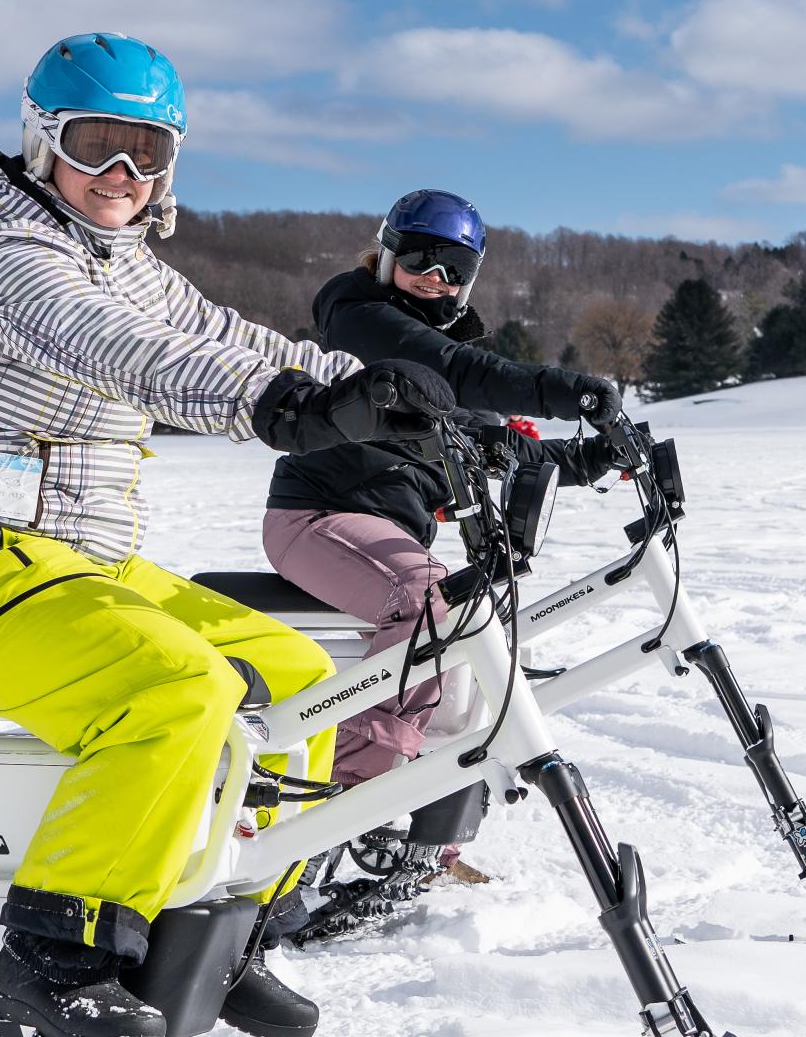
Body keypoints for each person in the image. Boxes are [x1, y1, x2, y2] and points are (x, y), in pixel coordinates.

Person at [0, 33, 451, 1037]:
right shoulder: (5, 251)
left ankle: (230, 926)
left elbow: (237, 340)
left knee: (300, 675)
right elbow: (124, 352)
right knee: (178, 687)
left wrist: (416, 399)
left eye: (149, 152)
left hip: (78, 559)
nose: (124, 177)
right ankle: (56, 945)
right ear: (43, 140)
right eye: (99, 146)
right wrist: (285, 407)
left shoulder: (129, 262)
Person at [261, 189, 625, 794]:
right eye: (421, 259)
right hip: (316, 518)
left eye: (454, 269)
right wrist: (566, 391)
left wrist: (589, 457)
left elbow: (499, 444)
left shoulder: (444, 356)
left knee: (471, 647)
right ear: (384, 255)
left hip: (388, 536)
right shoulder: (358, 315)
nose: (435, 279)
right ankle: (354, 797)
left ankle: (430, 829)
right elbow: (452, 374)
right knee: (423, 595)